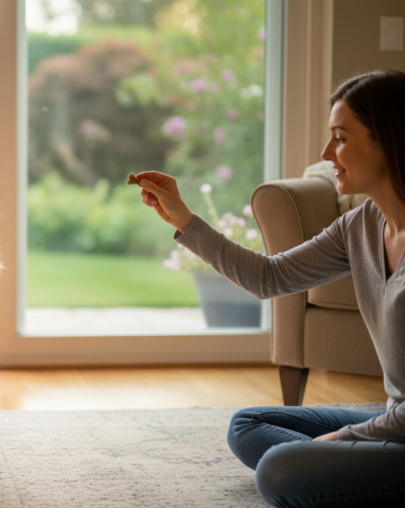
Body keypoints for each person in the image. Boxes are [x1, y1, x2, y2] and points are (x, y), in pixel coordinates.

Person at [135, 70, 405, 508]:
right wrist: (183, 217)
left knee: (281, 471)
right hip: (394, 418)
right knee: (248, 425)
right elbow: (269, 277)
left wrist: (340, 439)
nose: (324, 153)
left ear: (390, 140)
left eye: (339, 138)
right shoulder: (361, 225)